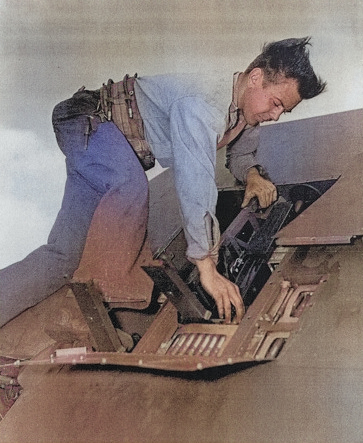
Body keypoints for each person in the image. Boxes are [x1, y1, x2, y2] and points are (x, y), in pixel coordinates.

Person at [0, 37, 326, 328]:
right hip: (87, 121)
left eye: (284, 110)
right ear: (256, 78)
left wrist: (253, 175)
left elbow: (240, 155)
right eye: (276, 103)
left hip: (97, 141)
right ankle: (84, 310)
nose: (276, 115)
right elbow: (194, 180)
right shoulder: (204, 105)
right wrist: (206, 265)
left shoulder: (244, 114)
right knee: (130, 186)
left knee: (61, 258)